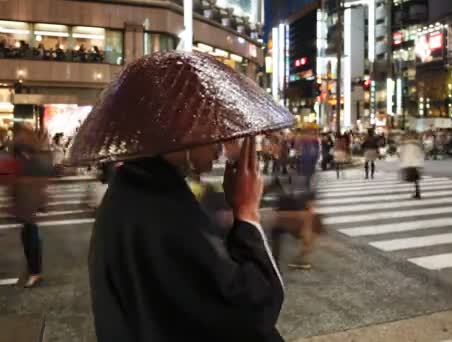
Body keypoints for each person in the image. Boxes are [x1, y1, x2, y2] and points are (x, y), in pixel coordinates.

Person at [89, 137, 284, 341]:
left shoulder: (137, 184)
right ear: (187, 131)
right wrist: (247, 212)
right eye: (214, 137)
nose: (220, 151)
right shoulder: (163, 206)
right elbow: (250, 308)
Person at [12, 124, 50, 288]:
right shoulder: (26, 156)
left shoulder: (32, 157)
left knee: (30, 235)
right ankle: (33, 270)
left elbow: (39, 178)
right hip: (25, 202)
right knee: (28, 235)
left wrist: (39, 200)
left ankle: (35, 272)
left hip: (28, 202)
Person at [399, 132, 424, 199]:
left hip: (411, 163)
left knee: (414, 179)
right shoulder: (414, 144)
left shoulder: (410, 144)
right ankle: (417, 193)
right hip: (414, 163)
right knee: (415, 180)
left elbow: (403, 154)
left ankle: (417, 194)